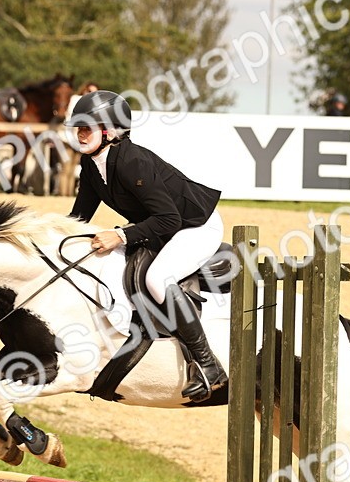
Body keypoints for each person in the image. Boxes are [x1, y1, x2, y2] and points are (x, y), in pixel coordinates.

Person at [65, 89, 228, 402]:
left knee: (157, 278)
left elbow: (168, 219)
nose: (80, 133)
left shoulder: (132, 162)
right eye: (78, 127)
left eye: (87, 126)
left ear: (109, 131)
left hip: (194, 225)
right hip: (164, 225)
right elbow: (78, 219)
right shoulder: (91, 165)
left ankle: (209, 365)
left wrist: (121, 235)